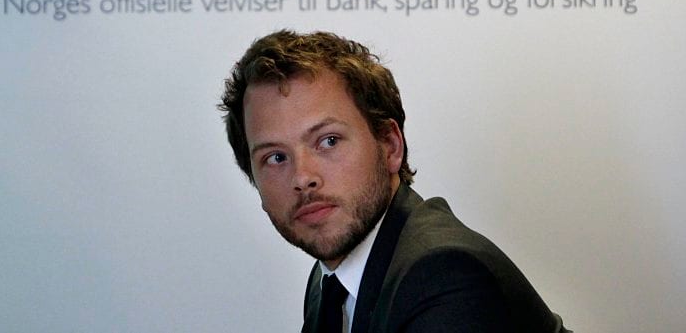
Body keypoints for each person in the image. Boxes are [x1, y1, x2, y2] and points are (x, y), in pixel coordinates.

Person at [219, 30, 570, 333]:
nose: (302, 178)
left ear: (390, 145)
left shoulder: (443, 275)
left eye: (329, 141)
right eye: (275, 158)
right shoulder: (330, 278)